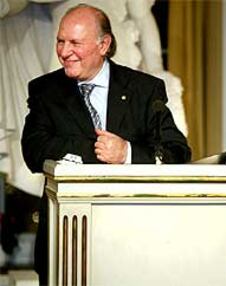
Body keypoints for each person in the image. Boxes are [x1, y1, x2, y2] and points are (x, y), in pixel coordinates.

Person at [20, 4, 191, 285]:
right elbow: (34, 150)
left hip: (135, 242)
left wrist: (127, 153)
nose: (64, 52)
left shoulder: (145, 90)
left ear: (104, 44)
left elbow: (177, 152)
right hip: (66, 242)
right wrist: (96, 151)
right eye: (60, 41)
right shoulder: (45, 91)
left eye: (75, 42)